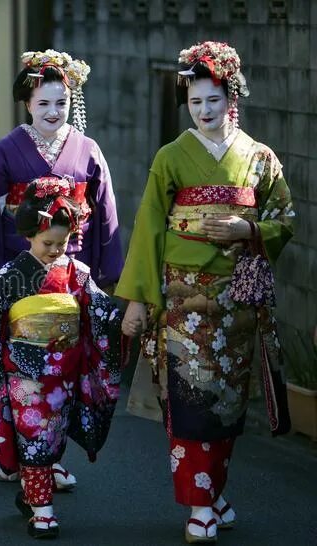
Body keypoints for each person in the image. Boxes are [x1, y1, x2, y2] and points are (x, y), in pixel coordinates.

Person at [117, 41, 294, 543]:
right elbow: (150, 228)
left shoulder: (260, 158)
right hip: (181, 299)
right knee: (189, 400)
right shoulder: (171, 157)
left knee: (226, 403)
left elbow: (286, 217)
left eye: (213, 100)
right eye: (195, 102)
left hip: (235, 299)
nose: (204, 111)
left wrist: (249, 230)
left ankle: (213, 493)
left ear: (232, 97)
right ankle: (198, 507)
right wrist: (137, 298)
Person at [0, 48, 123, 490]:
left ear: (70, 100)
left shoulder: (87, 150)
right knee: (20, 368)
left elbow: (105, 212)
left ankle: (49, 454)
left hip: (70, 272)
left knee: (66, 368)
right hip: (20, 271)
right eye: (43, 104)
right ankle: (13, 445)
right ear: (27, 105)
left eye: (60, 102)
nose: (52, 112)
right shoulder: (6, 150)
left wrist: (103, 271)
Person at [0, 181, 123, 539]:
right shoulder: (10, 275)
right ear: (28, 235)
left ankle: (34, 496)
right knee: (34, 437)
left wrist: (123, 317)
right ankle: (43, 510)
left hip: (63, 374)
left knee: (51, 438)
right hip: (25, 376)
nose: (54, 251)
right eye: (47, 243)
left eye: (62, 244)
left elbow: (98, 310)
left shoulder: (77, 273)